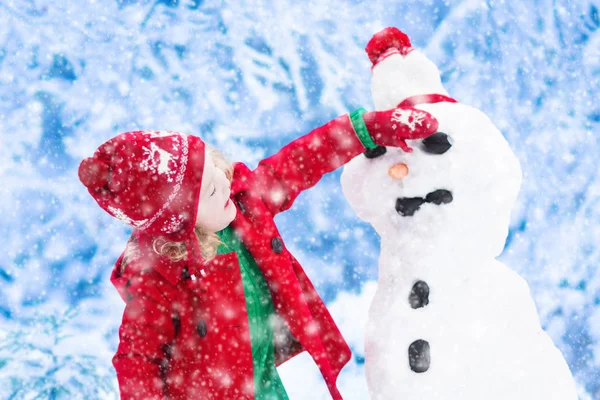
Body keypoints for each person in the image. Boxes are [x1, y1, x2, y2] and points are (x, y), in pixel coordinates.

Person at [77, 104, 438, 400]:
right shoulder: (159, 278)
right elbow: (137, 361)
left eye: (215, 170)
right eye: (211, 192)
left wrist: (368, 129)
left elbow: (302, 159)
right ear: (181, 224)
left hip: (262, 384)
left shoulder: (245, 205)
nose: (225, 182)